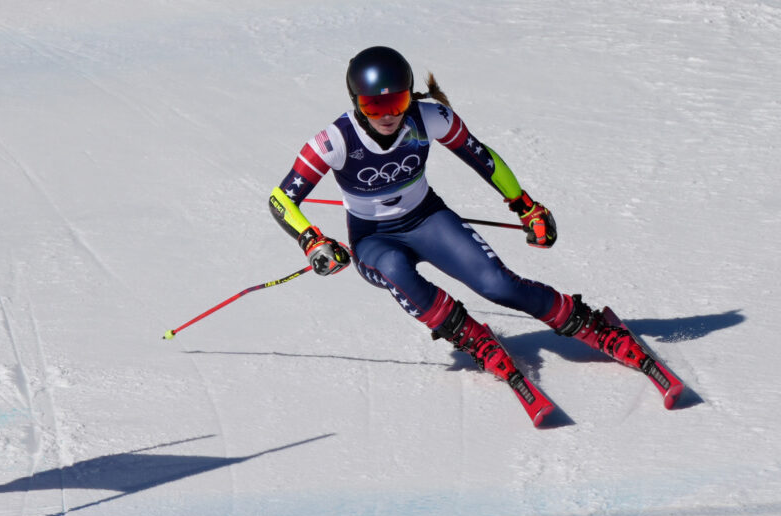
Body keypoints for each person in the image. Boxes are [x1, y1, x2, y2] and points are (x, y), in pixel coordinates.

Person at [267, 45, 649, 384]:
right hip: (373, 239)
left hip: (427, 219)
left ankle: (587, 323)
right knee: (395, 268)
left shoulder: (430, 117)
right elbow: (281, 198)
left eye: (397, 103)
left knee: (498, 285)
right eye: (373, 107)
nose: (387, 116)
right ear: (356, 103)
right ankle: (472, 338)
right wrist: (311, 240)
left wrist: (525, 205)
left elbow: (481, 157)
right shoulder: (335, 140)